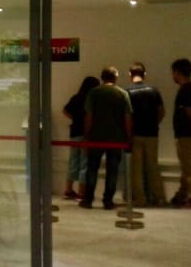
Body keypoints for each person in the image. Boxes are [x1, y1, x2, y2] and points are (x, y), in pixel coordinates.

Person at [80, 66, 133, 210]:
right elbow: (127, 117)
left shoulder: (94, 92)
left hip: (96, 136)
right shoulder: (122, 94)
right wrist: (128, 136)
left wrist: (86, 134)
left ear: (102, 77)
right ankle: (108, 201)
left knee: (92, 168)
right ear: (115, 77)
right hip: (116, 138)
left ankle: (88, 199)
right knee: (112, 170)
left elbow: (89, 115)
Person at [126, 62, 166, 207]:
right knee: (153, 166)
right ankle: (159, 197)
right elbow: (161, 112)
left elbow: (127, 116)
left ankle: (140, 198)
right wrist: (154, 124)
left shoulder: (127, 91)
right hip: (152, 134)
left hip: (136, 134)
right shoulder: (154, 90)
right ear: (144, 74)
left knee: (136, 169)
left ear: (130, 75)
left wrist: (128, 133)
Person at [62, 76, 100, 200]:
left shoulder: (76, 97)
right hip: (86, 134)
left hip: (74, 133)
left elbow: (65, 111)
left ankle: (68, 189)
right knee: (85, 162)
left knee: (73, 161)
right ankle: (81, 191)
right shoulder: (92, 100)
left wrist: (75, 118)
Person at [170, 58, 191, 208]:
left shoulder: (186, 89)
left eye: (173, 73)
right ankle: (182, 194)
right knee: (186, 166)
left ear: (177, 72)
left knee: (189, 167)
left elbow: (190, 111)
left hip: (186, 134)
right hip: (188, 133)